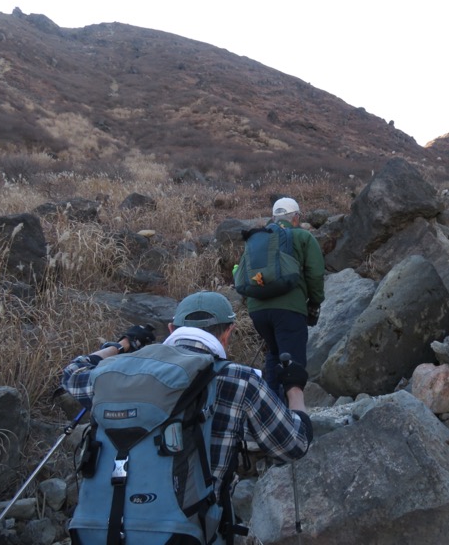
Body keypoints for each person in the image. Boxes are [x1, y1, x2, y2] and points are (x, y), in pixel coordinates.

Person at [60, 290, 313, 502]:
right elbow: (294, 445)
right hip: (188, 529)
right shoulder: (241, 379)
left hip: (109, 526)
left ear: (172, 329)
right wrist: (294, 390)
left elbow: (72, 373)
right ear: (228, 333)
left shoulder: (120, 371)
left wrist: (122, 346)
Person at [244, 197, 325, 396]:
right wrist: (314, 303)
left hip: (258, 310)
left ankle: (269, 411)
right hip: (289, 310)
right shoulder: (303, 237)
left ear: (273, 217)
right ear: (295, 217)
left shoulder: (258, 238)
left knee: (274, 354)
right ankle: (290, 416)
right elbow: (315, 274)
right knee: (293, 364)